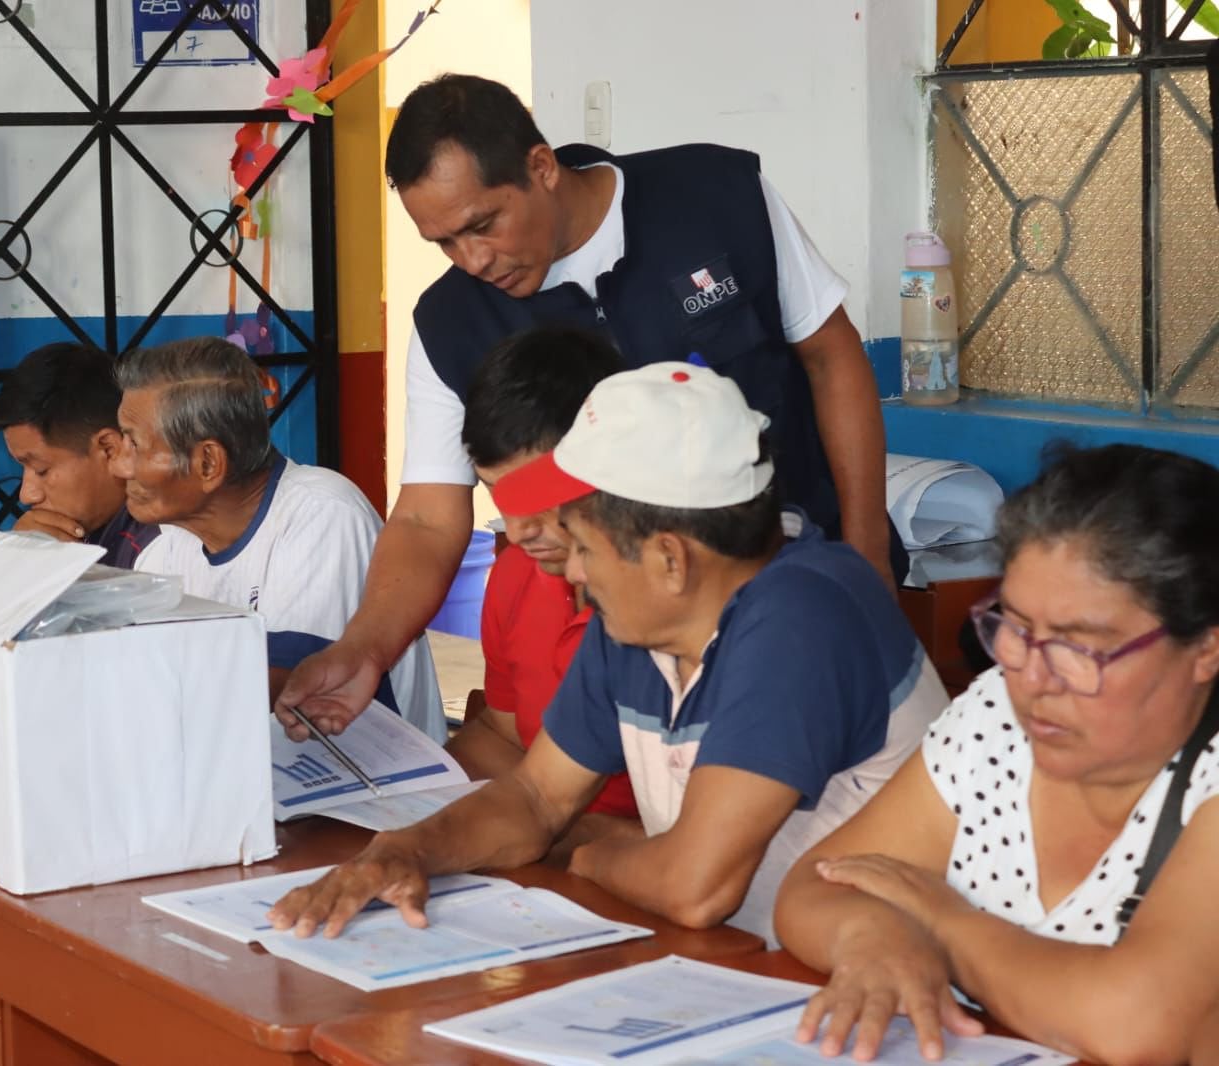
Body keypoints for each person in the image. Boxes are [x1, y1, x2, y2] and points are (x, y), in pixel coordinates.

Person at [277, 72, 900, 743]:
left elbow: (832, 359)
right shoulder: (449, 323)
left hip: (799, 586)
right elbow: (428, 519)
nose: (474, 259)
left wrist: (867, 555)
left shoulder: (717, 197)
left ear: (541, 167)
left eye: (483, 225)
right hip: (626, 637)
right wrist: (365, 649)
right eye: (446, 243)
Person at [268, 363, 944, 943]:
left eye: (585, 551)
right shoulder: (642, 622)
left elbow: (693, 887)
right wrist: (405, 850)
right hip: (751, 967)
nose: (573, 575)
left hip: (896, 982)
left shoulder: (802, 614)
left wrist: (591, 858)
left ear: (670, 559)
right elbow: (535, 800)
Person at [773, 444, 1219, 1064]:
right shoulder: (997, 716)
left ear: (1205, 648)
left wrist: (941, 921)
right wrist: (872, 933)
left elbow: (1130, 1024)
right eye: (1015, 628)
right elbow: (814, 884)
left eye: (1081, 647)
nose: (1034, 678)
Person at [110, 337, 446, 743]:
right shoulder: (164, 553)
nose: (119, 464)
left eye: (134, 443)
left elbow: (280, 693)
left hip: (372, 796)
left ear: (208, 463)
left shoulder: (322, 513)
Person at [449, 325, 638, 835]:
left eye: (537, 493)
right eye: (495, 493)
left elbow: (696, 854)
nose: (517, 530)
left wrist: (550, 838)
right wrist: (406, 800)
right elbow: (506, 736)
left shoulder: (665, 602)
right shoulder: (517, 575)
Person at [0, 342, 157, 569]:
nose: (27, 495)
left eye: (42, 470)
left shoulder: (158, 551)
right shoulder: (89, 530)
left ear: (110, 450)